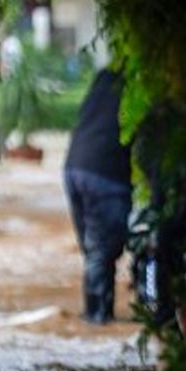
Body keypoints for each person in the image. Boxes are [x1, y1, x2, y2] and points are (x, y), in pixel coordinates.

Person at [63, 68, 134, 323]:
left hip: (74, 168)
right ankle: (97, 316)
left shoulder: (104, 79)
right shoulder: (133, 87)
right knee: (102, 249)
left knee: (93, 248)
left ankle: (94, 313)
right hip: (106, 174)